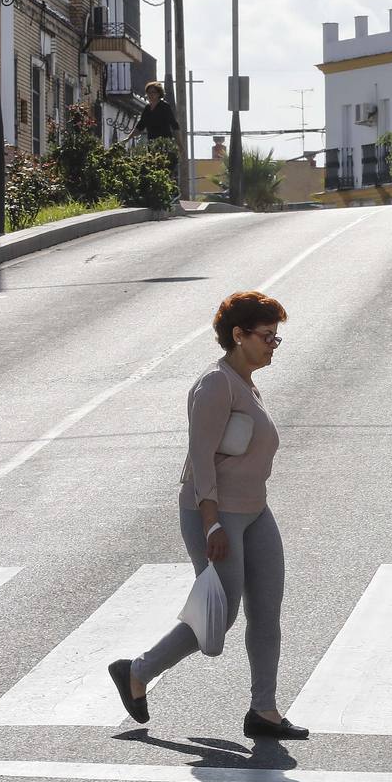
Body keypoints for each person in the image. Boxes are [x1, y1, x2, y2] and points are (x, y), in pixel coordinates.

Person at [110, 292, 308, 740]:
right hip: (216, 515)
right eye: (265, 337)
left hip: (255, 510)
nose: (272, 346)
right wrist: (211, 520)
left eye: (277, 339)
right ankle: (137, 672)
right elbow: (200, 458)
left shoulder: (246, 383)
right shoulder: (215, 385)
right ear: (237, 336)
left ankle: (265, 711)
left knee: (267, 612)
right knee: (219, 612)